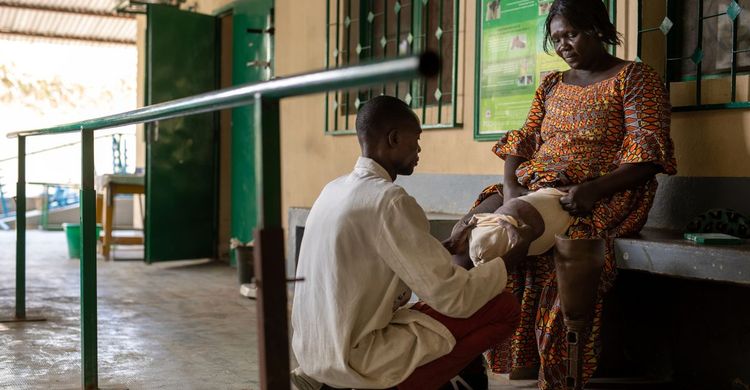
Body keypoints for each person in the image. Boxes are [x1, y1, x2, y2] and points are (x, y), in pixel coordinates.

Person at [445, 0, 677, 388]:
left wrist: (591, 190)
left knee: (500, 232)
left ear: (597, 29)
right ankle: (456, 353)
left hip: (597, 192)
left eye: (571, 34)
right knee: (464, 237)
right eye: (556, 39)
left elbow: (648, 153)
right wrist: (510, 186)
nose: (564, 45)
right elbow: (523, 140)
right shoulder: (552, 83)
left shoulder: (634, 78)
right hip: (531, 184)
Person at [290, 96, 528, 390]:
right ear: (393, 138)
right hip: (355, 358)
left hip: (315, 353)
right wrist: (506, 261)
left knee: (433, 309)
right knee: (503, 308)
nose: (418, 150)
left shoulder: (334, 188)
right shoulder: (389, 200)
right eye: (415, 140)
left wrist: (440, 249)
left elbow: (375, 259)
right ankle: (397, 385)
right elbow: (453, 297)